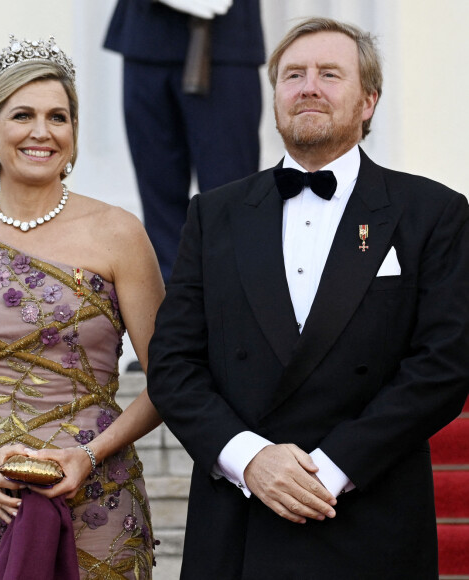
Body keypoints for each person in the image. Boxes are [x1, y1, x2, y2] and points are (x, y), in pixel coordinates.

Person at [147, 17, 469, 579]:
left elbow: (444, 365)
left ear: (368, 101)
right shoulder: (214, 213)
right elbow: (173, 364)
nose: (308, 86)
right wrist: (250, 460)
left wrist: (333, 467)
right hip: (239, 520)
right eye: (292, 75)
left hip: (369, 512)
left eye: (329, 74)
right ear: (274, 97)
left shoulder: (433, 213)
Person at [0, 35, 164, 579]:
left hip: (100, 501)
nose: (42, 132)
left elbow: (170, 378)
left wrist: (90, 456)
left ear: (73, 133)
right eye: (23, 115)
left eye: (58, 117)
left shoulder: (119, 233)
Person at [104, 0, 264, 283]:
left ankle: (230, 310)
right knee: (159, 199)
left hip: (225, 36)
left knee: (230, 199)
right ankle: (174, 307)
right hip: (146, 34)